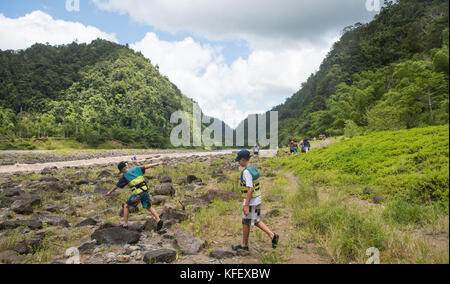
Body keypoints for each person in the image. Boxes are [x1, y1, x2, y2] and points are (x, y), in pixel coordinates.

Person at [231, 150, 279, 252]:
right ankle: (272, 235)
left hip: (251, 201)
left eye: (239, 160)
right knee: (254, 221)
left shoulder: (246, 172)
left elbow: (250, 189)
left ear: (243, 160)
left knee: (246, 221)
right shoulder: (253, 168)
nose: (238, 162)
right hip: (257, 199)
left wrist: (246, 205)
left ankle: (245, 245)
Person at [107, 159, 164, 230]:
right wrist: (159, 163)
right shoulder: (137, 169)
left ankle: (125, 225)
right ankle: (158, 219)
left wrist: (110, 192)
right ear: (127, 166)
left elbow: (117, 186)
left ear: (122, 170)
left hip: (137, 195)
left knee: (126, 206)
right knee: (148, 207)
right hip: (145, 192)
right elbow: (147, 166)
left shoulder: (124, 176)